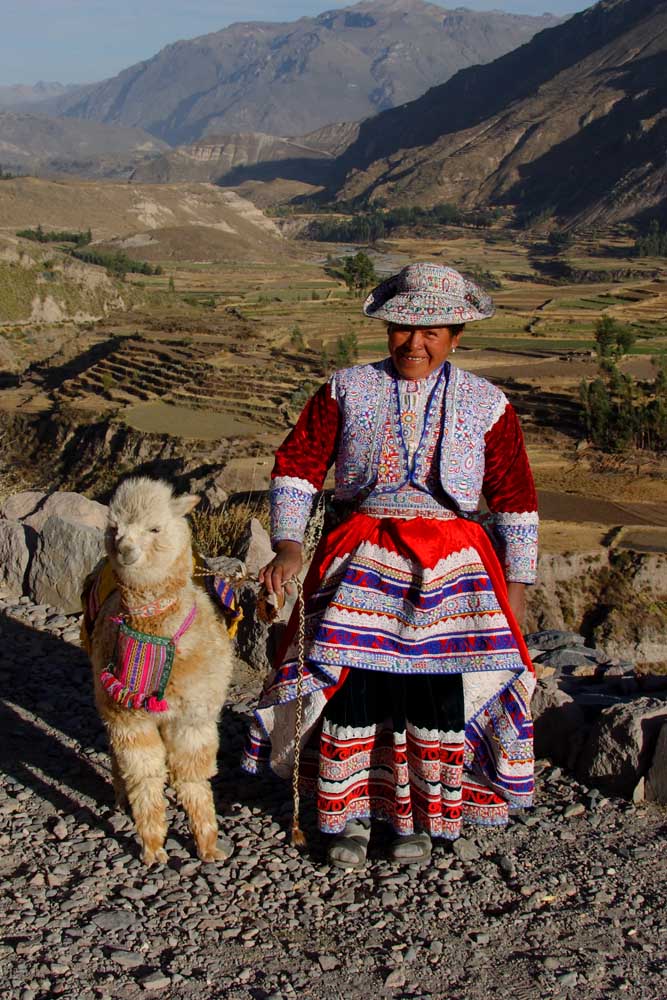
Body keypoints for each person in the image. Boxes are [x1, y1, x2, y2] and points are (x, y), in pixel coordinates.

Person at [243, 262, 538, 870]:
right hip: (362, 551)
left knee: (433, 686)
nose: (415, 343)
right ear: (387, 327)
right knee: (354, 677)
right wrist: (290, 544)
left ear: (457, 336)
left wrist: (519, 585)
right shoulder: (347, 389)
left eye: (432, 332)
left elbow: (515, 496)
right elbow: (299, 463)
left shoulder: (488, 405)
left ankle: (423, 819)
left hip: (455, 565)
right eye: (404, 327)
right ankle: (346, 814)